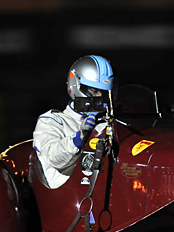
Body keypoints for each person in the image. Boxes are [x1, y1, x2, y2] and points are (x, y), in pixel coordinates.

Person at [33, 55, 115, 188]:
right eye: (94, 91)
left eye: (104, 93)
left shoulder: (110, 122)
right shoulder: (52, 121)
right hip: (67, 197)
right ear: (76, 86)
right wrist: (80, 137)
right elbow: (54, 158)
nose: (100, 97)